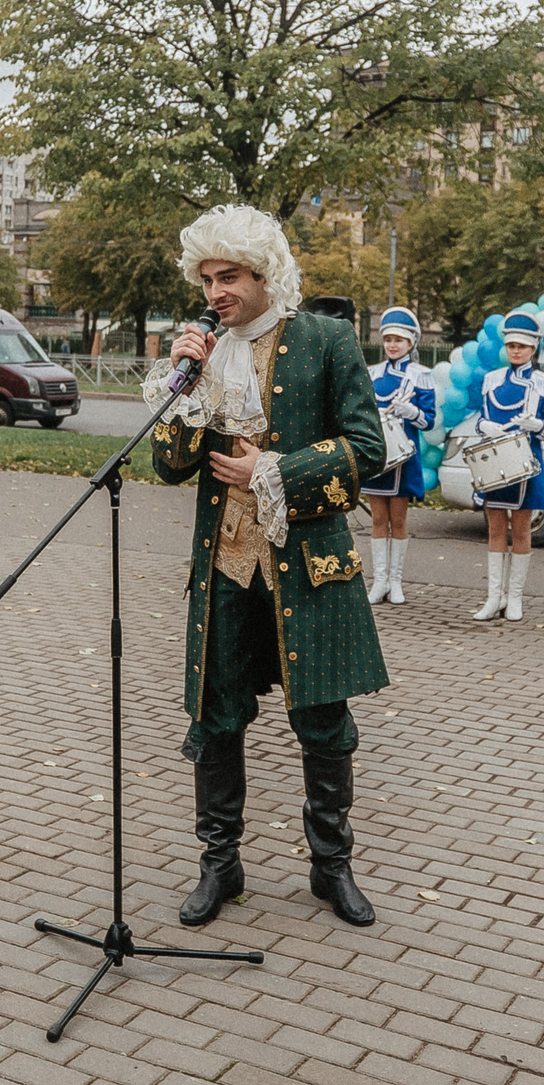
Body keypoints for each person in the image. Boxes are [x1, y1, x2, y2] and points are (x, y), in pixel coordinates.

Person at [150, 205, 388, 929]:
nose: (214, 290)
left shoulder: (325, 339)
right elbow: (166, 465)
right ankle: (219, 864)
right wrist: (182, 384)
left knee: (322, 721)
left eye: (228, 276)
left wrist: (274, 469)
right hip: (226, 564)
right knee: (217, 716)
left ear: (263, 273)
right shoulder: (202, 356)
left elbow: (367, 448)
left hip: (308, 565)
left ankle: (331, 866)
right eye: (206, 277)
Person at [470, 309, 544, 623]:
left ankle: (515, 597)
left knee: (521, 531)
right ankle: (494, 597)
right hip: (495, 466)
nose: (516, 351)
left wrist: (536, 424)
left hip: (528, 467)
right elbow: (482, 417)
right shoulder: (492, 380)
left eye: (522, 346)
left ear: (534, 348)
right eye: (511, 346)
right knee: (495, 529)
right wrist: (484, 427)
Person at [362, 307, 436, 605]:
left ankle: (396, 581)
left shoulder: (422, 375)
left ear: (411, 344)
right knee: (378, 519)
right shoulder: (372, 373)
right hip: (378, 454)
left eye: (399, 340)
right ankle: (379, 580)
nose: (393, 345)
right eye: (389, 339)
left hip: (403, 457)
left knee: (399, 520)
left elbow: (428, 421)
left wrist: (412, 411)